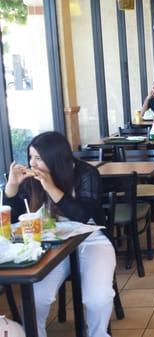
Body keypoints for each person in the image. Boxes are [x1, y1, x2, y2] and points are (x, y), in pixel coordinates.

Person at [3, 132, 115, 337]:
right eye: (30, 157)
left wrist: (51, 187)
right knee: (35, 299)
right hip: (50, 243)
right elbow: (17, 217)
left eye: (38, 158)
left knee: (98, 298)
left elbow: (82, 215)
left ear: (56, 157)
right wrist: (12, 187)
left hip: (91, 239)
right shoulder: (33, 180)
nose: (32, 164)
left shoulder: (85, 173)